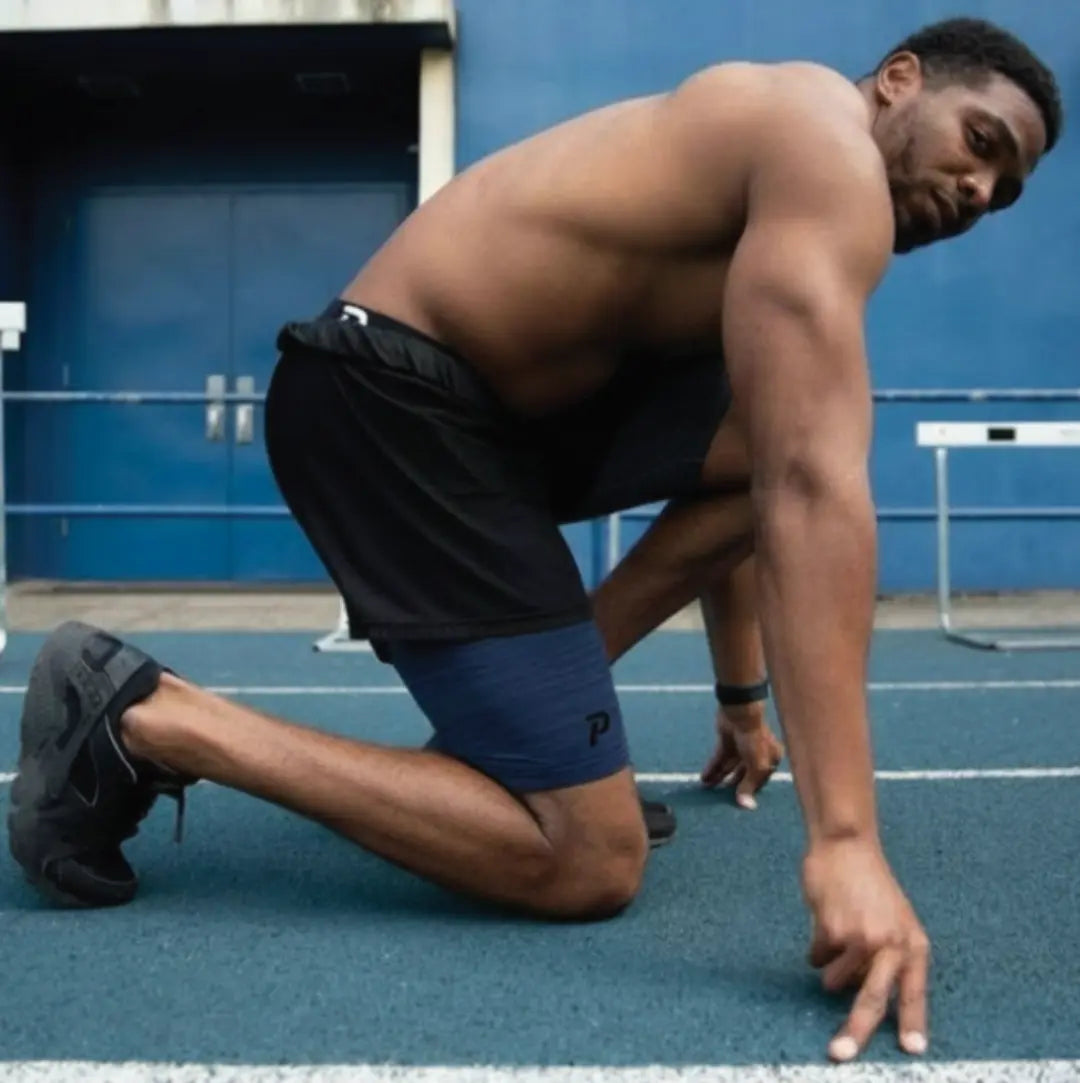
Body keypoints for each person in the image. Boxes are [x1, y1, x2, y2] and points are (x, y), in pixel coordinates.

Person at [8, 16, 1060, 1064]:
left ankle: (536, 725)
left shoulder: (774, 205)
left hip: (497, 428)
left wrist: (742, 703)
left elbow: (765, 461)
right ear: (900, 81)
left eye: (1006, 191)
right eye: (981, 145)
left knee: (785, 416)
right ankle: (146, 716)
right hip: (386, 404)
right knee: (588, 864)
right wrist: (845, 844)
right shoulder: (817, 140)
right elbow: (810, 490)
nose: (980, 194)